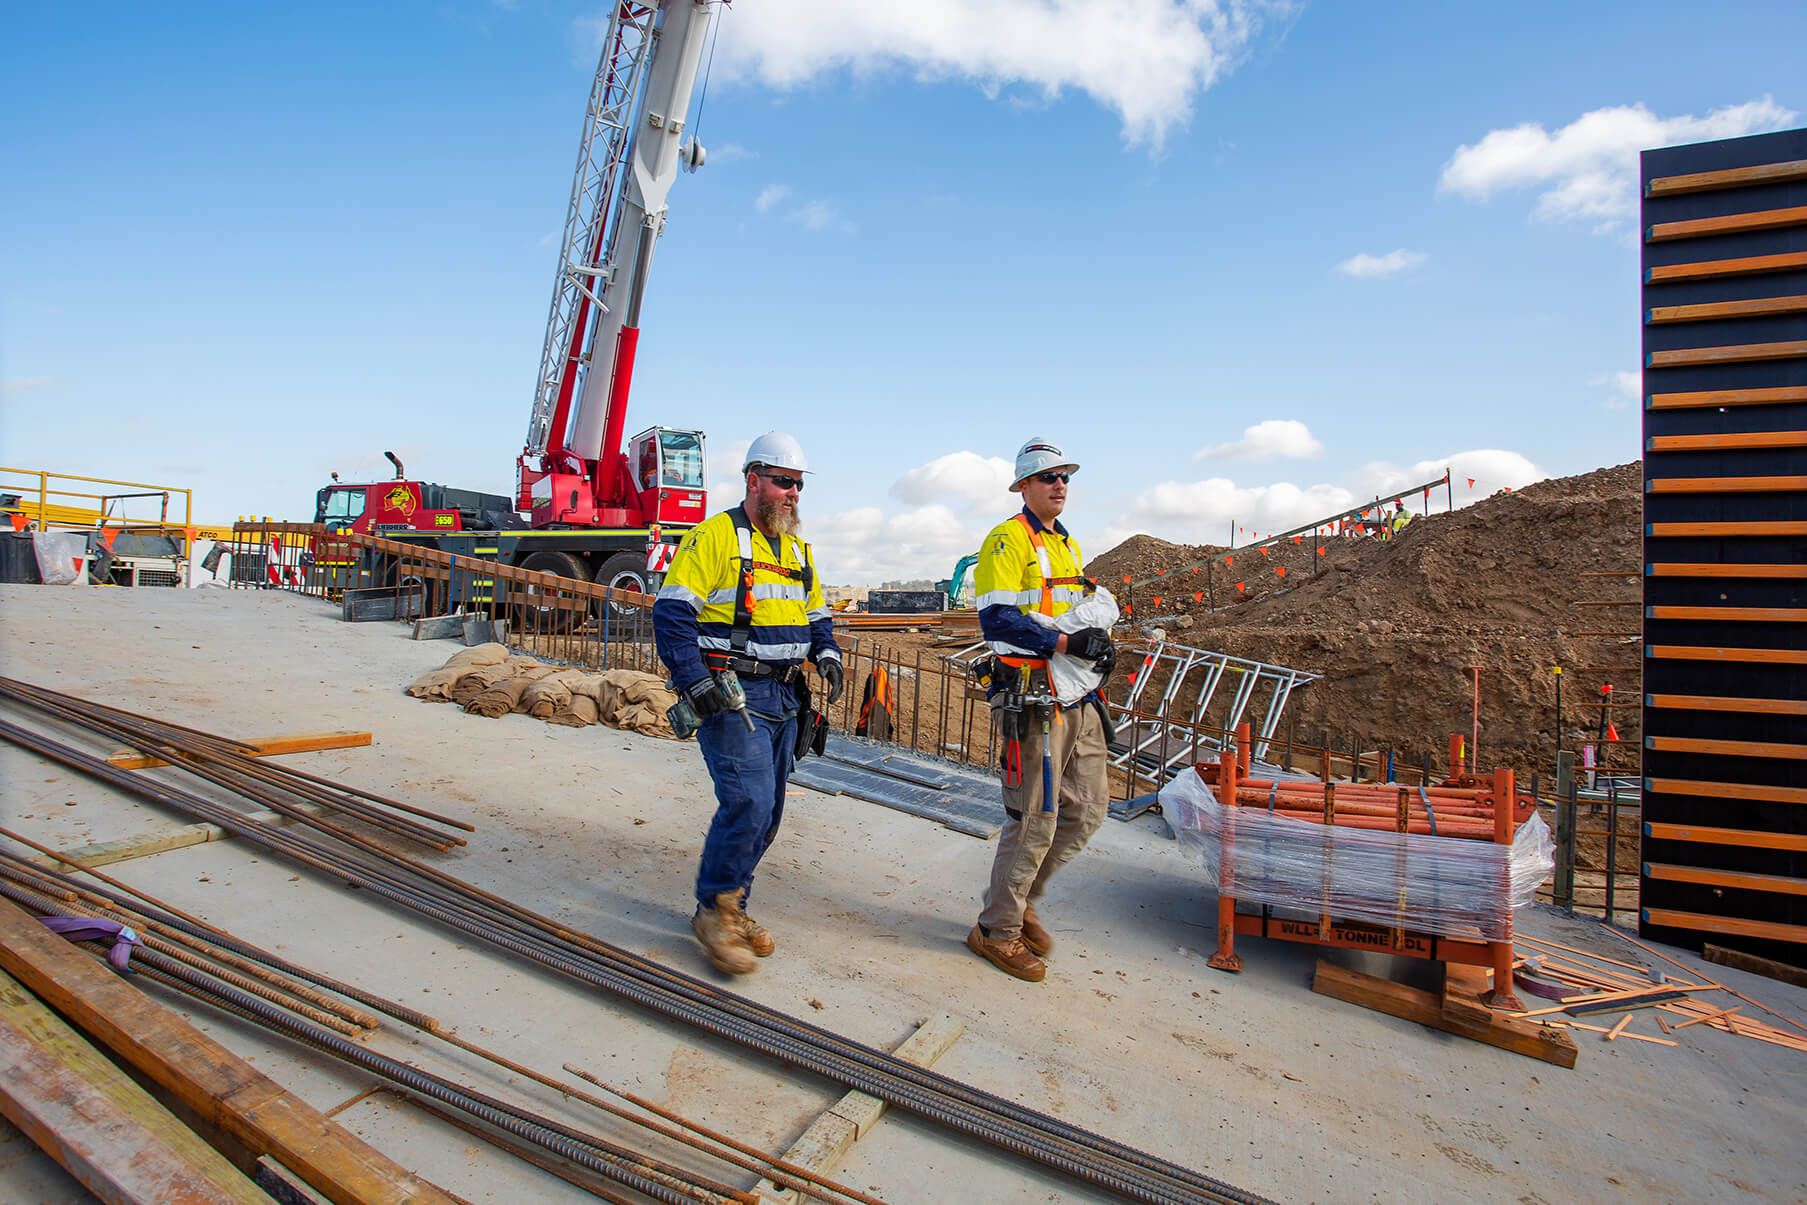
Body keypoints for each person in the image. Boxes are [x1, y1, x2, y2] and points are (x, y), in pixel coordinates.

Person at [652, 431, 844, 974]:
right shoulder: (715, 537)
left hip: (785, 695)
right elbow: (671, 613)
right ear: (753, 480)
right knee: (750, 802)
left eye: (798, 486)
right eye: (783, 483)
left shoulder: (797, 549)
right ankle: (715, 909)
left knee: (770, 811)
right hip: (733, 693)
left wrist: (826, 652)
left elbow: (816, 616)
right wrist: (693, 682)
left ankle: (733, 905)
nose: (792, 494)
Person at [965, 437, 1115, 982]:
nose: (1059, 485)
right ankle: (997, 929)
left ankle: (1021, 898)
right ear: (1023, 486)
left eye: (1065, 477)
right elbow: (998, 620)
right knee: (1036, 818)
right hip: (1033, 694)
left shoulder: (1068, 544)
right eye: (1048, 477)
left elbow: (1074, 611)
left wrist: (1094, 643)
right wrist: (1066, 646)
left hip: (1076, 694)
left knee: (1088, 811)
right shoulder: (1006, 540)